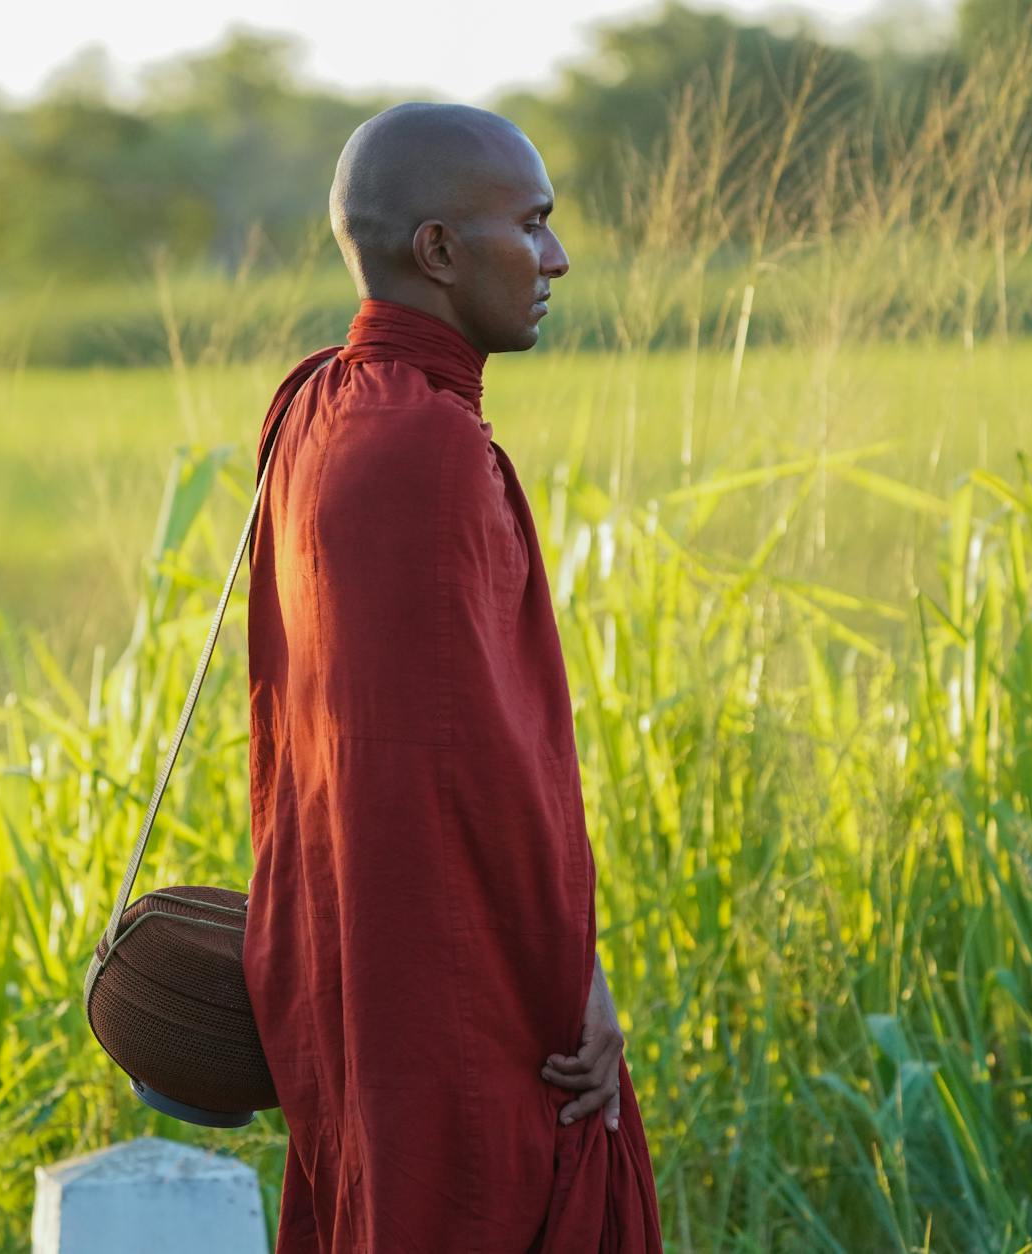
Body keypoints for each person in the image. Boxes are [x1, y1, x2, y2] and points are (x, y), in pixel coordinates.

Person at [241, 101, 664, 1252]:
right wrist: (571, 972)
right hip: (454, 988)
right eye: (528, 227)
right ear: (434, 251)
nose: (555, 259)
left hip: (350, 960)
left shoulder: (317, 404)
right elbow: (483, 760)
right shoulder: (426, 445)